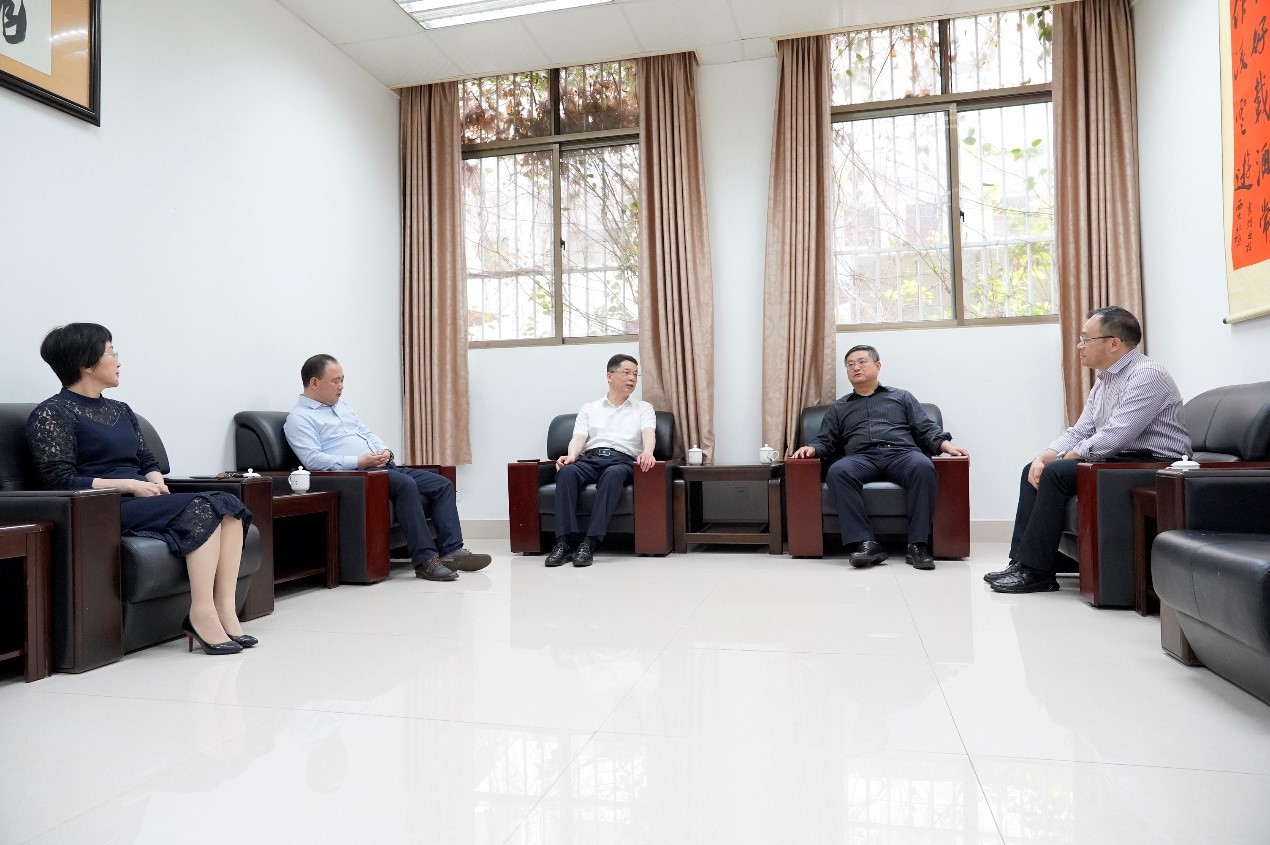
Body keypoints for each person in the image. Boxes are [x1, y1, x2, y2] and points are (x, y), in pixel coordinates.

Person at [27, 323, 255, 656]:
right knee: (207, 506)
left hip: (141, 497)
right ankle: (201, 613)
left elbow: (147, 459)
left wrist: (155, 479)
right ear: (86, 364)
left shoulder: (121, 410)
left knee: (229, 506)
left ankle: (225, 610)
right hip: (104, 506)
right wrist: (130, 485)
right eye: (111, 352)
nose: (118, 361)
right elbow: (59, 479)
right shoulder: (52, 413)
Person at [988, 306, 1191, 593]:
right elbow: (1081, 430)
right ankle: (1021, 563)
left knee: (1056, 473)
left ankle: (1037, 573)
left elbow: (1115, 435)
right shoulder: (1105, 380)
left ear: (1114, 343)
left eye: (1086, 339)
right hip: (1121, 460)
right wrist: (1046, 454)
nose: (1080, 346)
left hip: (1155, 465)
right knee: (1033, 470)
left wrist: (1066, 458)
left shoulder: (1147, 375)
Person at [284, 354, 491, 582]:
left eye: (342, 380)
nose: (341, 386)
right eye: (335, 381)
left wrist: (385, 451)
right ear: (314, 382)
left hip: (382, 467)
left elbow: (367, 433)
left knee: (442, 485)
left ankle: (452, 550)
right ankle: (425, 561)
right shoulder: (299, 419)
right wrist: (359, 461)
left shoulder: (343, 408)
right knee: (406, 484)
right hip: (359, 476)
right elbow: (313, 460)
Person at [791, 345, 968, 570]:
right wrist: (811, 449)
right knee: (838, 471)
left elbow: (925, 428)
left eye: (861, 362)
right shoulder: (839, 407)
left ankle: (917, 545)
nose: (856, 367)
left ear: (878, 365)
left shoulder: (901, 397)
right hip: (861, 457)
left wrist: (948, 447)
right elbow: (826, 440)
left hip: (901, 454)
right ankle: (866, 543)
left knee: (923, 467)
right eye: (850, 365)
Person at [545, 354, 657, 568]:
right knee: (567, 472)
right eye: (626, 373)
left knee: (613, 475)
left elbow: (648, 432)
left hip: (622, 461)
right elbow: (578, 437)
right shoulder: (590, 408)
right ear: (609, 376)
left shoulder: (643, 408)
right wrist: (571, 456)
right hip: (591, 458)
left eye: (635, 374)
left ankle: (590, 542)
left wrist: (648, 452)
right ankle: (564, 542)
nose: (632, 378)